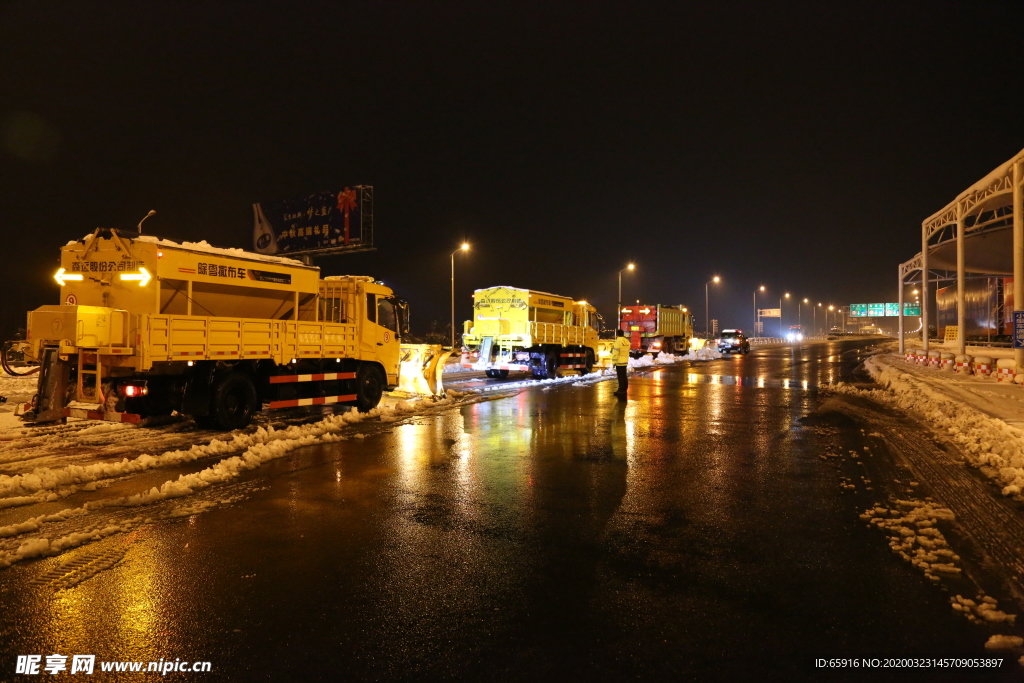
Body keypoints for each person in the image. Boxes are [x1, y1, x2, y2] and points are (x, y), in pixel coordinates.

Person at [611, 329, 631, 397]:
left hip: (619, 361)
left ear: (617, 334)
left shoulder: (618, 341)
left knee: (620, 376)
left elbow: (615, 353)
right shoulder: (626, 341)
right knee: (624, 375)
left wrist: (614, 362)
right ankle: (625, 389)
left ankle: (621, 390)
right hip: (625, 361)